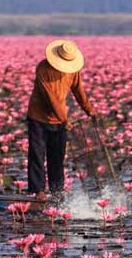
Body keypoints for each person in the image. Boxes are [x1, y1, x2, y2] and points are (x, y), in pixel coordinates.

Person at [26, 39, 98, 197]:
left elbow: (78, 90)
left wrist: (89, 109)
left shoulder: (72, 70)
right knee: (37, 155)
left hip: (60, 120)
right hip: (39, 117)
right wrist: (64, 119)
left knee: (57, 157)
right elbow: (50, 98)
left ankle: (56, 192)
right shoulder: (43, 69)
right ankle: (37, 192)